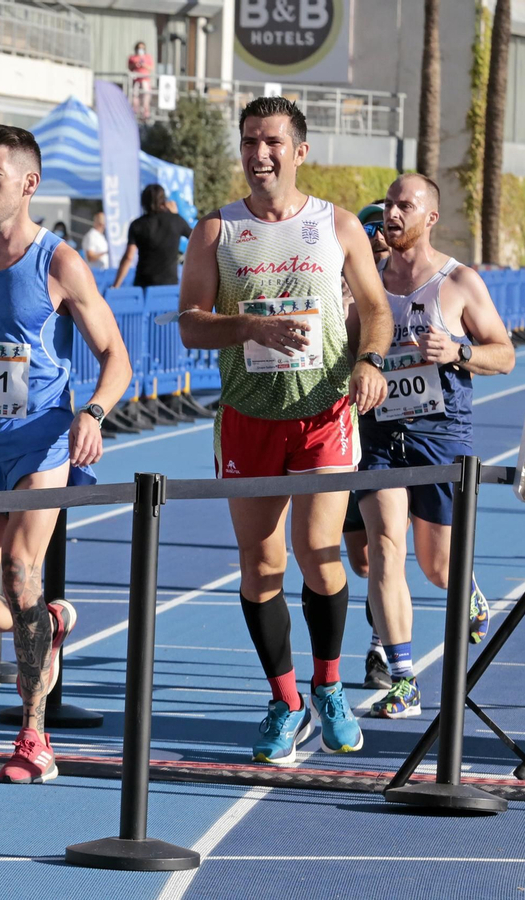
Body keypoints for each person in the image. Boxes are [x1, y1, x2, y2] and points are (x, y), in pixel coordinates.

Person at [176, 97, 393, 764]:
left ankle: (330, 687)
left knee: (319, 550)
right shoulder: (216, 230)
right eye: (249, 141)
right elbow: (190, 324)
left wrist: (370, 361)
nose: (259, 154)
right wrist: (252, 327)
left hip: (323, 412)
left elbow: (377, 308)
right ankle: (286, 700)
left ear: (299, 151)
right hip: (248, 419)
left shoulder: (338, 225)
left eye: (271, 141)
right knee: (261, 565)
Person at [0, 125, 134, 784]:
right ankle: (43, 623)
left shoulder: (59, 263)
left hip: (39, 440)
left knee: (22, 570)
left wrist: (93, 412)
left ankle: (33, 737)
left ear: (29, 183)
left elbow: (116, 358)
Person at [357, 175, 511, 717]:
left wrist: (459, 351)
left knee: (437, 567)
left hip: (441, 435)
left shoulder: (459, 282)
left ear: (431, 217)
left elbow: (505, 355)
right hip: (380, 435)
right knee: (384, 549)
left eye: (405, 205)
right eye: (389, 204)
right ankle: (404, 680)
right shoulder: (366, 284)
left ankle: (465, 588)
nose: (393, 213)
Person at [341, 201, 390, 688]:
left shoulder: (403, 288)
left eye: (383, 230)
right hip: (342, 433)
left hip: (389, 438)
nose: (377, 237)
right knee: (361, 561)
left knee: (384, 553)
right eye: (368, 228)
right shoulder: (336, 286)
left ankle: (379, 650)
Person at [111, 184, 191, 289]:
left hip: (143, 284)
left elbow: (129, 257)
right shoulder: (176, 221)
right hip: (169, 284)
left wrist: (116, 285)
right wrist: (176, 215)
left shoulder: (137, 225)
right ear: (164, 201)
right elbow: (195, 237)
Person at [129, 41, 155, 118]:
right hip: (136, 80)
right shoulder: (132, 58)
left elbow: (151, 68)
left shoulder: (148, 57)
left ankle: (145, 114)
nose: (140, 49)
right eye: (139, 48)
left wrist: (144, 65)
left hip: (145, 80)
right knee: (135, 96)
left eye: (142, 48)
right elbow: (129, 67)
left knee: (146, 97)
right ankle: (135, 113)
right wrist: (135, 64)